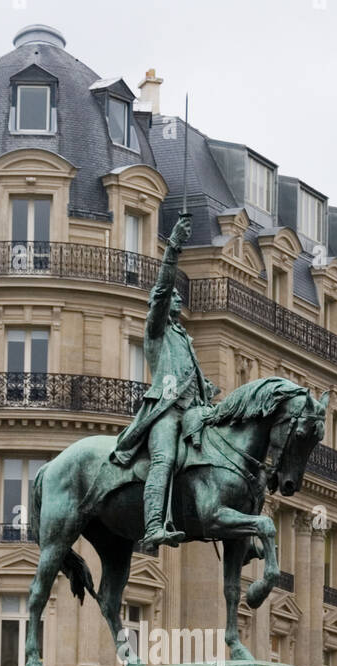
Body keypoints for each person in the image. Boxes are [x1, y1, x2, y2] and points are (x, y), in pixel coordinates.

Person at [109, 212, 215, 551]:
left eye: (179, 298)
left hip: (195, 413)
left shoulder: (186, 339)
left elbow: (196, 381)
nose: (178, 298)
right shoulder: (157, 332)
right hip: (166, 413)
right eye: (173, 296)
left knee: (225, 456)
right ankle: (154, 525)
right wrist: (173, 247)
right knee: (165, 459)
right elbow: (160, 289)